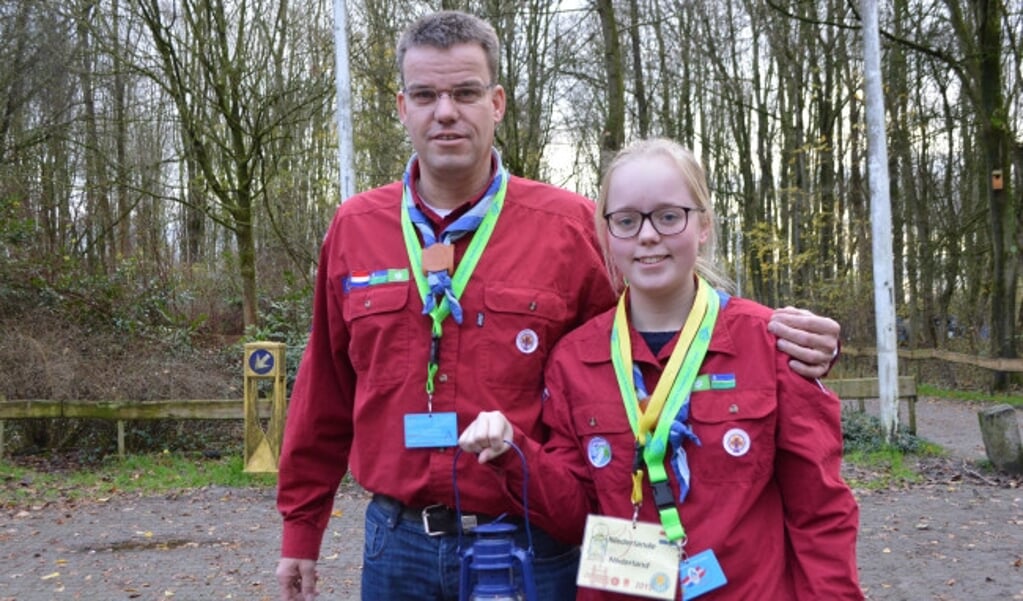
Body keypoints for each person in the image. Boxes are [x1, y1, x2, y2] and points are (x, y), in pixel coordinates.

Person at [275, 11, 843, 601]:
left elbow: (664, 327)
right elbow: (326, 391)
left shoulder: (569, 227)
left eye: (465, 92)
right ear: (402, 107)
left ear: (496, 102)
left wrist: (780, 342)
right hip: (399, 548)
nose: (446, 111)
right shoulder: (355, 228)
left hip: (535, 543)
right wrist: (301, 529)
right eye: (426, 94)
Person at [458, 139, 862, 599]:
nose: (648, 235)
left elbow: (821, 513)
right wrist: (515, 456)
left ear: (704, 225)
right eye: (627, 221)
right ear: (606, 234)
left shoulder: (768, 344)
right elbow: (574, 517)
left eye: (669, 216)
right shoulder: (575, 360)